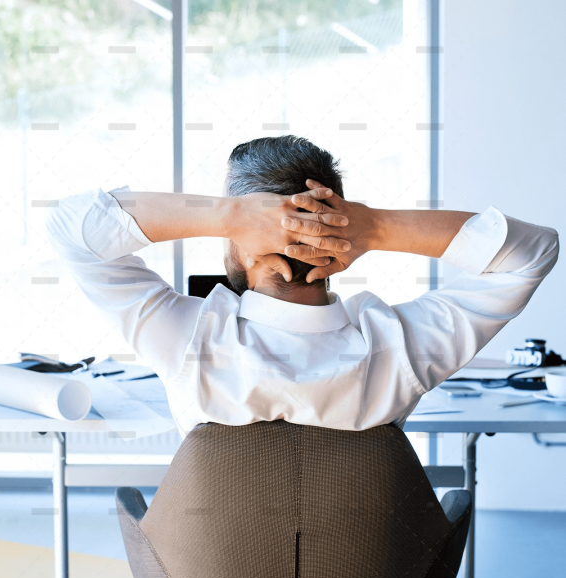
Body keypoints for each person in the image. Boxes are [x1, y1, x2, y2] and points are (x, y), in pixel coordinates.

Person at [46, 135, 559, 436]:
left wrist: (225, 215)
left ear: (241, 239)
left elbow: (72, 226)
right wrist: (374, 226)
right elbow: (534, 252)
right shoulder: (402, 347)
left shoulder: (186, 341)